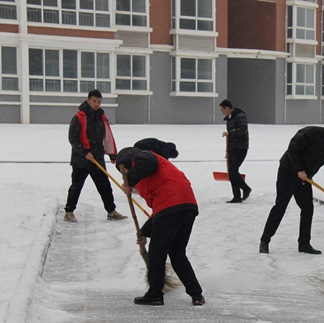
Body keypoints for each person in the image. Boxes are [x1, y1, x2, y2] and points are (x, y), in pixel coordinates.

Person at [115, 147, 205, 306]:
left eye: (127, 170)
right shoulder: (153, 176)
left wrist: (128, 180)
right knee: (177, 253)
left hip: (171, 207)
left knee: (157, 253)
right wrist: (143, 233)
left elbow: (147, 164)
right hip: (186, 207)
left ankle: (155, 294)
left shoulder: (142, 157)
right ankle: (196, 294)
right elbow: (160, 216)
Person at [259, 119, 324, 255]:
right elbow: (293, 148)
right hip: (288, 173)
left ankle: (304, 244)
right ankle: (265, 241)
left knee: (307, 208)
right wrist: (299, 169)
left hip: (304, 179)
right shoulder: (312, 133)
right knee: (280, 206)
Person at [64, 89, 127, 223]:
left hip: (97, 159)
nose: (96, 104)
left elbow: (107, 136)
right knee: (76, 186)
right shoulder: (79, 117)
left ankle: (111, 211)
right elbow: (73, 139)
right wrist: (84, 153)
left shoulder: (101, 117)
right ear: (88, 100)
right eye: (94, 101)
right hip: (81, 160)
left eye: (99, 102)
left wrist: (112, 154)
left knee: (104, 186)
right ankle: (69, 212)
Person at [219, 99, 252, 203]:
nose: (222, 112)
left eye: (222, 110)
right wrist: (227, 150)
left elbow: (243, 129)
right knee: (232, 172)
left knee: (233, 171)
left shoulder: (239, 116)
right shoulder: (230, 118)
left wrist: (231, 132)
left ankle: (246, 188)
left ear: (227, 108)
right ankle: (236, 196)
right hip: (233, 148)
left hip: (240, 148)